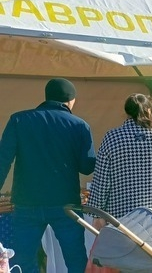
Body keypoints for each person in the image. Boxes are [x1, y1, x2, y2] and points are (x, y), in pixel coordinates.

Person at [0, 78, 96, 272]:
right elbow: (87, 167)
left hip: (26, 202)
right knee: (76, 260)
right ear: (70, 100)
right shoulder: (79, 125)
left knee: (23, 261)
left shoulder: (18, 120)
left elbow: (3, 160)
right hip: (66, 204)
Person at [89, 94, 152, 222]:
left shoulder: (112, 137)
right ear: (148, 110)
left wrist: (97, 212)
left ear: (127, 112)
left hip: (120, 214)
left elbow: (101, 181)